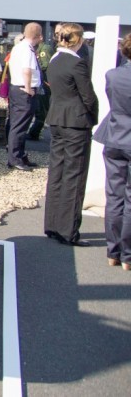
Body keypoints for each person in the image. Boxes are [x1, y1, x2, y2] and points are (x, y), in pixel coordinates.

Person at [43, 22, 99, 247]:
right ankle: (68, 231)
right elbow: (88, 96)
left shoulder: (54, 61)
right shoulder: (77, 64)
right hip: (75, 122)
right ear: (78, 40)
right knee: (74, 176)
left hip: (57, 119)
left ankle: (53, 224)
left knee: (57, 171)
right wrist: (93, 117)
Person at [92, 33, 131, 269]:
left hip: (115, 137)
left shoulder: (113, 75)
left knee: (114, 196)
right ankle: (128, 255)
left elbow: (112, 101)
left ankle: (113, 252)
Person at [6, 23, 43, 171]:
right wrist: (28, 88)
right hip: (24, 90)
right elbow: (27, 70)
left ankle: (18, 155)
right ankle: (15, 158)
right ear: (39, 36)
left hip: (16, 88)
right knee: (20, 126)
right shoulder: (27, 50)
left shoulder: (18, 47)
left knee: (16, 123)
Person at [28, 35, 55, 141]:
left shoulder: (44, 49)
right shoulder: (37, 48)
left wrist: (33, 65)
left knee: (42, 109)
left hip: (44, 83)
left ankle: (35, 132)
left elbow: (45, 65)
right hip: (41, 82)